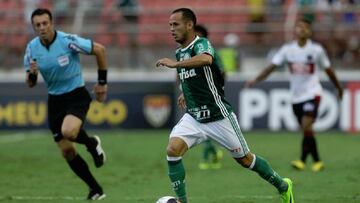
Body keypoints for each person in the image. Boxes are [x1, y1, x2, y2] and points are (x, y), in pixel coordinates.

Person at [156, 8, 294, 203]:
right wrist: (184, 92)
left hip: (218, 116)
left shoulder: (201, 44)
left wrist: (175, 65)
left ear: (189, 25)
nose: (171, 29)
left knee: (245, 160)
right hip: (194, 117)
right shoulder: (180, 52)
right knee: (172, 150)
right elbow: (193, 77)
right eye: (170, 25)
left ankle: (283, 186)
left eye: (175, 24)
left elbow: (206, 59)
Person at [24, 8, 107, 200]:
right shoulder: (32, 49)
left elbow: (100, 50)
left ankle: (91, 143)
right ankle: (95, 189)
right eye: (38, 25)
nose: (42, 28)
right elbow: (30, 83)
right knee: (67, 151)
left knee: (69, 132)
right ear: (34, 27)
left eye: (45, 23)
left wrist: (102, 83)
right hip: (55, 100)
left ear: (52, 23)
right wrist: (32, 74)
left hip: (76, 94)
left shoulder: (67, 41)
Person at [246, 18, 343, 172]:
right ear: (295, 31)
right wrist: (255, 80)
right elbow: (271, 67)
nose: (302, 29)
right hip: (296, 96)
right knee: (306, 129)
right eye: (299, 27)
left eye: (305, 27)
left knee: (306, 125)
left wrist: (339, 88)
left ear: (310, 31)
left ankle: (306, 160)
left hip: (313, 92)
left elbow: (328, 70)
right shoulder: (287, 50)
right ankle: (313, 161)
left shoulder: (316, 50)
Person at [192, 24, 224, 170]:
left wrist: (218, 89)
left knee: (205, 126)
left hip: (209, 95)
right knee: (202, 126)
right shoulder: (188, 52)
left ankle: (206, 158)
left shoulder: (211, 52)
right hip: (193, 95)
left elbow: (222, 71)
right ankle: (215, 153)